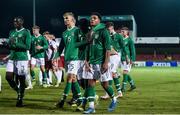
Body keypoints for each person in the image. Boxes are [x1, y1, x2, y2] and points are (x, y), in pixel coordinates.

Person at [83, 12, 117, 114]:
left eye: (94, 18)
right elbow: (87, 48)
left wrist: (106, 63)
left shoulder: (103, 31)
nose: (92, 20)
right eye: (91, 18)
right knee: (90, 84)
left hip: (101, 62)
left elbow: (107, 49)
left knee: (105, 85)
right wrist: (86, 61)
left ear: (99, 20)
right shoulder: (90, 32)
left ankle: (114, 99)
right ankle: (91, 107)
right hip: (91, 63)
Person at [55, 12, 82, 109]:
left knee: (69, 78)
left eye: (67, 18)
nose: (65, 20)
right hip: (67, 59)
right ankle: (80, 98)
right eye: (64, 18)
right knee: (73, 79)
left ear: (72, 20)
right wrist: (56, 56)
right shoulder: (64, 33)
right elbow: (61, 47)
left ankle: (62, 100)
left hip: (76, 59)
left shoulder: (78, 31)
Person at [6, 16, 31, 107]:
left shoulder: (26, 32)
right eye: (14, 21)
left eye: (17, 22)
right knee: (8, 77)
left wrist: (15, 43)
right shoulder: (11, 32)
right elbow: (10, 45)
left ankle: (20, 99)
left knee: (21, 79)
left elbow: (27, 46)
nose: (15, 23)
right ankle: (19, 92)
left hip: (22, 58)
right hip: (12, 57)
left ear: (21, 22)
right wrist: (7, 44)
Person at [101, 22, 127, 99]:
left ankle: (107, 94)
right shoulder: (107, 35)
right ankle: (119, 92)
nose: (107, 30)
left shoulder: (118, 36)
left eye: (108, 28)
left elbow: (123, 46)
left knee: (111, 73)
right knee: (113, 74)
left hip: (115, 56)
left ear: (112, 27)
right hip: (108, 56)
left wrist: (126, 57)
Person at [120, 27, 136, 92]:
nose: (122, 32)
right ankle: (132, 85)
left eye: (123, 31)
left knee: (125, 72)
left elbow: (133, 50)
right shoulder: (121, 39)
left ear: (127, 32)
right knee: (125, 73)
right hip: (121, 59)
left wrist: (132, 59)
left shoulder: (129, 40)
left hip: (128, 59)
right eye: (121, 31)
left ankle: (123, 88)